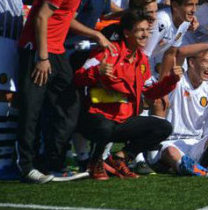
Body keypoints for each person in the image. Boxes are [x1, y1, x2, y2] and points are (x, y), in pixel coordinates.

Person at [16, 0, 111, 183]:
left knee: (69, 106)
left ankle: (52, 162)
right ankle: (26, 166)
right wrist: (42, 57)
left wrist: (95, 33)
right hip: (39, 51)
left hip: (55, 53)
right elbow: (40, 17)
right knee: (32, 109)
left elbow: (65, 18)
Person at [74, 10, 180, 180]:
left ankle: (120, 157)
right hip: (94, 119)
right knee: (105, 127)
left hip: (122, 121)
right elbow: (78, 77)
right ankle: (95, 161)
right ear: (127, 33)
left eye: (147, 30)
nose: (146, 35)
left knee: (163, 127)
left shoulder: (142, 60)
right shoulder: (109, 51)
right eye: (140, 30)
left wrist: (171, 81)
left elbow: (150, 93)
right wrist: (97, 72)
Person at [148, 50, 208, 176]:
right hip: (171, 140)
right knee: (171, 152)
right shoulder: (177, 82)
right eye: (206, 61)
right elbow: (178, 52)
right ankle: (185, 167)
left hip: (196, 142)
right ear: (192, 63)